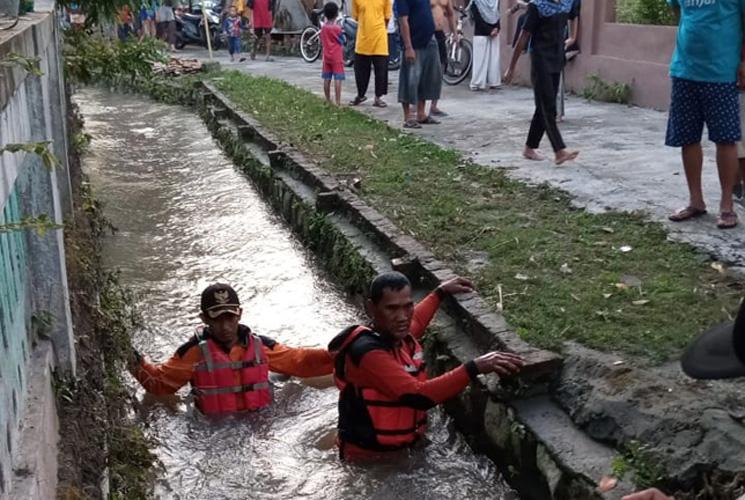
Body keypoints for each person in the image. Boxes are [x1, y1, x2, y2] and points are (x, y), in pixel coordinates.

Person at [328, 272, 524, 461]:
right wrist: (476, 366)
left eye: (408, 306)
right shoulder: (368, 353)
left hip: (404, 449)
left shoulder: (397, 334)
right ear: (371, 308)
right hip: (368, 461)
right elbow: (418, 395)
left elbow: (418, 321)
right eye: (392, 308)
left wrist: (440, 292)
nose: (402, 317)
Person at [127, 283, 335, 415]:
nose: (225, 327)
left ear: (240, 314)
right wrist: (130, 357)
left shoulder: (261, 346)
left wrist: (341, 355)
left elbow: (300, 361)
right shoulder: (193, 353)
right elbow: (159, 384)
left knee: (286, 376)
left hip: (258, 419)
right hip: (214, 425)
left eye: (230, 318)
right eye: (217, 320)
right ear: (205, 319)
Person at [665, 0, 745, 229]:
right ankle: (695, 201)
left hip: (721, 73)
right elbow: (678, 9)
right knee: (687, 137)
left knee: (726, 139)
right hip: (684, 70)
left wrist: (743, 61)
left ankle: (727, 205)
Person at [503, 0, 580, 165]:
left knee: (543, 106)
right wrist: (511, 67)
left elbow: (574, 15)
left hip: (557, 59)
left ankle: (529, 148)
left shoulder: (566, 3)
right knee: (548, 108)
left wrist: (573, 37)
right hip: (541, 60)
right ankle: (559, 151)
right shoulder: (537, 6)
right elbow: (523, 38)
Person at [395, 0, 443, 128]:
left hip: (429, 39)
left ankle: (421, 114)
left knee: (429, 78)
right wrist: (408, 47)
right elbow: (403, 21)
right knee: (410, 79)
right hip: (414, 44)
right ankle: (408, 118)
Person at [349, 0, 393, 107]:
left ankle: (378, 98)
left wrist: (380, 29)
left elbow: (387, 17)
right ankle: (360, 95)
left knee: (381, 71)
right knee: (360, 71)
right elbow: (356, 17)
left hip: (379, 38)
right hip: (363, 39)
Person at [428, 0, 457, 116]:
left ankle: (434, 106)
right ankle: (416, 105)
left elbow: (450, 14)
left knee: (440, 69)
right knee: (424, 68)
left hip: (440, 34)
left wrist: (454, 33)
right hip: (427, 33)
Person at [469, 0, 501, 92]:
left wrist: (497, 28)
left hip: (494, 32)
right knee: (480, 59)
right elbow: (477, 18)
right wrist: (489, 30)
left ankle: (494, 82)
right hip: (481, 32)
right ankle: (477, 83)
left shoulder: (494, 1)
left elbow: (497, 14)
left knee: (494, 58)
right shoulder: (476, 2)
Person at [321, 2, 346, 106]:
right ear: (336, 14)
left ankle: (327, 100)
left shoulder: (324, 28)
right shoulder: (337, 28)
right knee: (338, 78)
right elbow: (343, 40)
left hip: (326, 56)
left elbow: (321, 39)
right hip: (337, 57)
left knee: (327, 79)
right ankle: (338, 102)